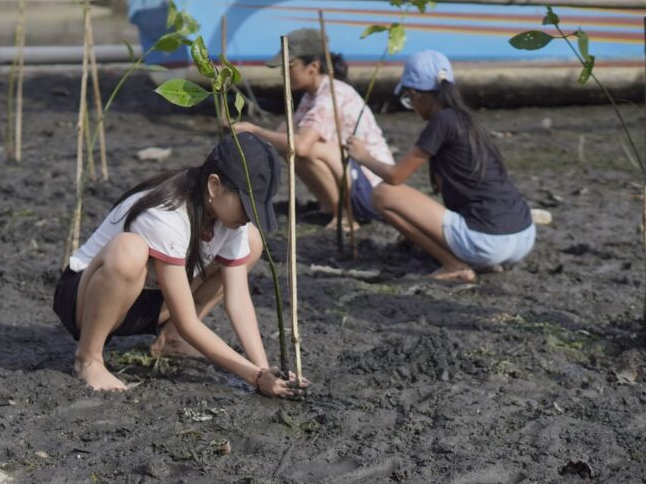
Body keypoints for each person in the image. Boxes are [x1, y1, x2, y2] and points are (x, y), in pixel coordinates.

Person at [53, 133, 307, 396]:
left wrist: (264, 370)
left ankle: (171, 340)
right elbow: (187, 320)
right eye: (245, 205)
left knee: (252, 242)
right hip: (87, 300)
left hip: (149, 301)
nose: (247, 216)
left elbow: (239, 300)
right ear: (214, 185)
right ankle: (88, 358)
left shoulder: (228, 219)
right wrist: (254, 377)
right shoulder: (166, 212)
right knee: (129, 249)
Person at [345, 50, 535, 282]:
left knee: (383, 194)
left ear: (416, 95)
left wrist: (362, 156)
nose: (412, 107)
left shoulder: (442, 121)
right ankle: (481, 261)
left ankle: (453, 265)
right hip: (524, 235)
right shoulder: (467, 119)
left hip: (488, 242)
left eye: (408, 99)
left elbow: (396, 177)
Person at [233, 27, 395, 230]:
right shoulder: (312, 95)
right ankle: (329, 206)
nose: (284, 73)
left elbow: (300, 146)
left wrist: (255, 130)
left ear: (313, 66)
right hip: (354, 181)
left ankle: (344, 216)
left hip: (374, 189)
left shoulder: (332, 94)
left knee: (306, 148)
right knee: (289, 142)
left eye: (289, 65)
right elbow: (284, 133)